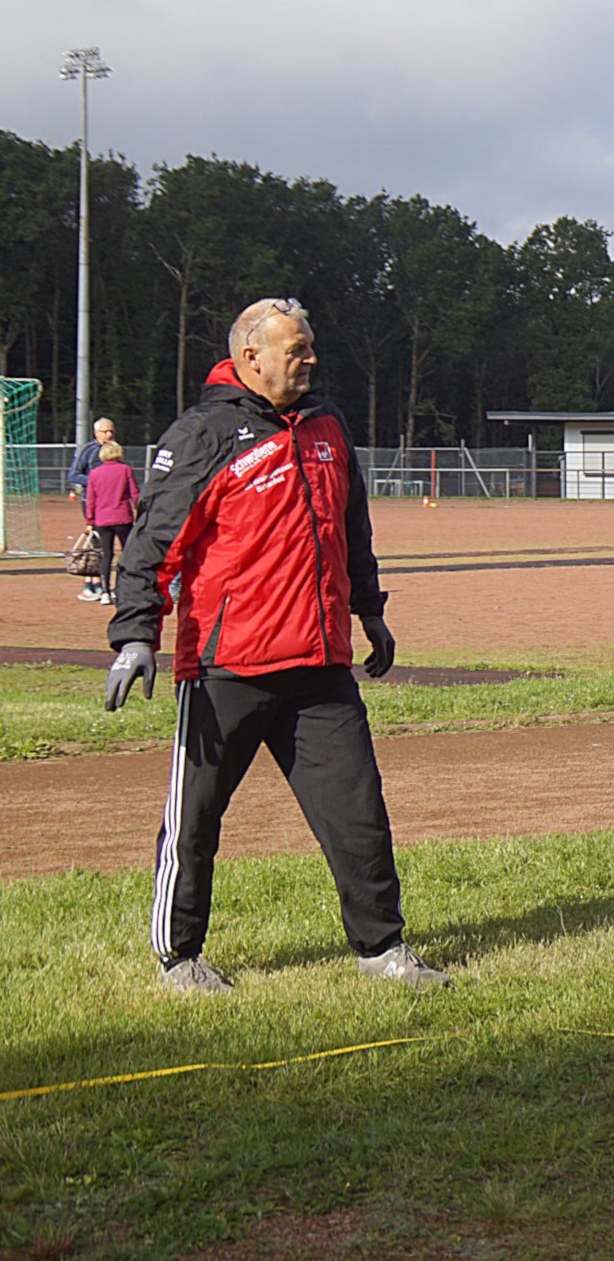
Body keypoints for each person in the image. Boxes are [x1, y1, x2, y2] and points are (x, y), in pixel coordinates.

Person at [104, 298, 445, 995]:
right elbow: (151, 546)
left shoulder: (327, 425)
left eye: (311, 346)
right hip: (226, 668)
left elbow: (353, 531)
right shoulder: (205, 433)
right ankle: (180, 958)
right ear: (251, 356)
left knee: (359, 814)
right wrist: (136, 635)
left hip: (319, 667)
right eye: (297, 349)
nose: (310, 358)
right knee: (194, 820)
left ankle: (381, 949)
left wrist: (369, 611)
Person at [82, 439, 139, 606]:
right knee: (126, 554)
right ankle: (121, 589)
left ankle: (105, 591)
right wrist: (140, 510)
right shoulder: (125, 470)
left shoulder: (95, 474)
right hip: (123, 518)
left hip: (102, 519)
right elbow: (134, 493)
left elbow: (91, 500)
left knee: (106, 555)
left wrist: (89, 521)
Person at [68, 417, 115, 602]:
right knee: (96, 543)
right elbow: (73, 474)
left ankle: (99, 585)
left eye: (111, 431)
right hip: (92, 502)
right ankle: (91, 585)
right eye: (105, 431)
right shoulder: (88, 451)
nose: (109, 435)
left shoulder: (115, 450)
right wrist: (96, 483)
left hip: (112, 505)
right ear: (96, 433)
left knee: (106, 545)